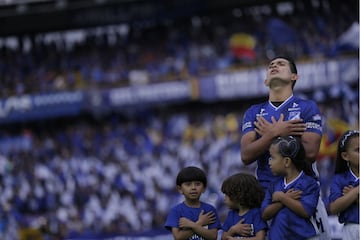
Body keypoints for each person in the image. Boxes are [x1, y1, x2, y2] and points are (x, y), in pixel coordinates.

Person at [240, 56, 329, 238]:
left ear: (294, 77)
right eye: (271, 65)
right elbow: (246, 155)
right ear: (266, 81)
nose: (274, 66)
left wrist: (273, 133)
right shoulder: (254, 112)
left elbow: (311, 152)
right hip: (269, 199)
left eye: (281, 64)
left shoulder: (307, 107)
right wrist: (275, 133)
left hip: (304, 195)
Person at [261, 136, 322, 240]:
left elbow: (306, 211)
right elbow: (264, 213)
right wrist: (283, 200)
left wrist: (282, 198)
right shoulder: (274, 185)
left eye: (272, 158)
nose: (269, 162)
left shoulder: (309, 183)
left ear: (287, 162)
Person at [164, 166, 221, 240]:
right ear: (180, 189)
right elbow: (178, 237)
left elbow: (213, 237)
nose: (193, 187)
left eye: (197, 184)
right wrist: (200, 223)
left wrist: (192, 225)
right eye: (188, 184)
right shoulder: (175, 211)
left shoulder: (210, 210)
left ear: (204, 188)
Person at [328, 130, 359, 240]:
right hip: (349, 231)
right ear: (345, 156)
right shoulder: (339, 178)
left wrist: (351, 197)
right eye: (358, 150)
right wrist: (356, 192)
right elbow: (333, 208)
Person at [221, 172, 267, 240]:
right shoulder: (231, 215)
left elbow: (260, 238)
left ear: (238, 194)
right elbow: (223, 238)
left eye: (226, 194)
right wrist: (232, 230)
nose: (224, 199)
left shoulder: (256, 213)